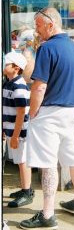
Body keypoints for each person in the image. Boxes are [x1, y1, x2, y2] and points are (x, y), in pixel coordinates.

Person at [19, 7, 74, 230]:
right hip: (71, 110)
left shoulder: (48, 48)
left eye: (38, 25)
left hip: (49, 112)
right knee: (73, 156)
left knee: (48, 163)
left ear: (50, 24)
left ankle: (47, 214)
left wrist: (32, 112)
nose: (36, 30)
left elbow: (39, 87)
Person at [2, 52, 33, 208]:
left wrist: (15, 136)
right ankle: (24, 189)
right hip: (11, 131)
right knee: (19, 161)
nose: (3, 65)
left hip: (19, 133)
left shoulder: (19, 86)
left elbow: (21, 112)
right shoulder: (7, 83)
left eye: (6, 63)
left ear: (16, 68)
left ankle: (27, 192)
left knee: (23, 162)